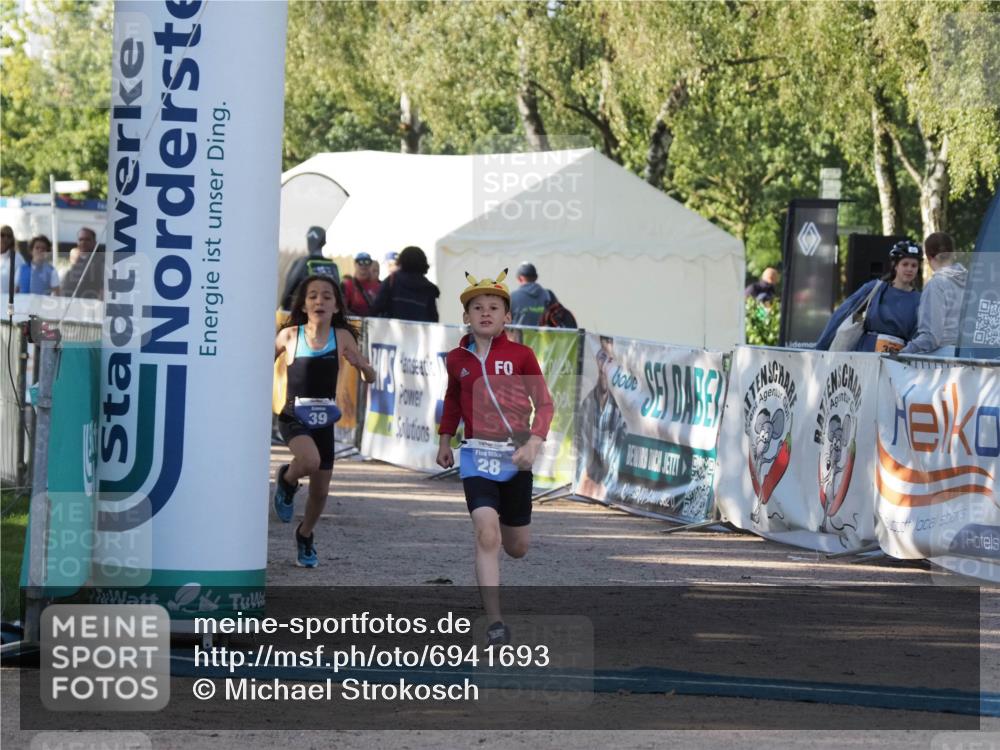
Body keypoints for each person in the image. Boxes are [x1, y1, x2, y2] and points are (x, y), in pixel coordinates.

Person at [435, 269, 554, 646]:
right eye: (477, 307)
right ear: (466, 316)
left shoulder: (522, 356)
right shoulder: (457, 358)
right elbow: (453, 399)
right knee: (486, 532)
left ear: (507, 316)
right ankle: (495, 622)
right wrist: (444, 440)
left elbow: (546, 404)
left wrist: (534, 443)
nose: (485, 313)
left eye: (494, 307)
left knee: (516, 548)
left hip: (516, 457)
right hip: (475, 457)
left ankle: (508, 536)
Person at [272, 274, 376, 567]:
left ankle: (305, 535)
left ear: (337, 307)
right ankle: (287, 479)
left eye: (327, 296)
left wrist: (363, 367)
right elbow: (257, 365)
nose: (320, 300)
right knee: (308, 461)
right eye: (313, 296)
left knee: (320, 493)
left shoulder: (341, 337)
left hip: (324, 421)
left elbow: (371, 376)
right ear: (304, 305)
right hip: (293, 415)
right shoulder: (289, 336)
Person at [815, 239, 922, 352]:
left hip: (896, 362)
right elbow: (843, 314)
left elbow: (918, 335)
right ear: (895, 266)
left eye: (914, 265)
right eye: (905, 264)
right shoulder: (875, 288)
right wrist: (820, 348)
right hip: (864, 356)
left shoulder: (920, 300)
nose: (909, 269)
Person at [575, 336, 627, 501]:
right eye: (602, 357)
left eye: (610, 359)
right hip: (586, 488)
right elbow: (581, 452)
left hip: (607, 491)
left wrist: (606, 488)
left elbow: (618, 460)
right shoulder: (588, 403)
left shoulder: (621, 409)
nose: (605, 364)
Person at [901, 233, 967, 357]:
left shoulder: (936, 285)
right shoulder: (973, 282)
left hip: (944, 362)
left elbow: (931, 336)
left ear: (929, 256)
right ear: (952, 253)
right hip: (972, 359)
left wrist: (903, 352)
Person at [369, 245, 440, 322]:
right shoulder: (428, 288)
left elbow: (376, 308)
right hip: (418, 332)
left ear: (401, 261)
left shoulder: (392, 280)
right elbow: (433, 318)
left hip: (392, 331)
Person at [280, 226, 339, 311]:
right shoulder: (332, 266)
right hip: (327, 314)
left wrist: (285, 305)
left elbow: (290, 288)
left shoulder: (302, 263)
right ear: (324, 242)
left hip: (303, 312)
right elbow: (339, 293)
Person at [60, 226, 104, 300]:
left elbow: (103, 287)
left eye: (87, 239)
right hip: (67, 303)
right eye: (81, 239)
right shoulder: (75, 259)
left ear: (94, 242)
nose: (83, 242)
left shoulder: (100, 260)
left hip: (87, 304)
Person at [510, 262, 557, 326]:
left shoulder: (511, 297)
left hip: (519, 336)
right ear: (536, 277)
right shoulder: (549, 296)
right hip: (543, 336)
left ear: (519, 278)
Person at [341, 252, 381, 316]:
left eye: (367, 262)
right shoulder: (347, 285)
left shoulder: (378, 285)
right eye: (360, 262)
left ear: (371, 265)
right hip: (354, 323)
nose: (364, 265)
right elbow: (342, 309)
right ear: (355, 264)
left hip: (374, 322)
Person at [0, 225, 25, 303]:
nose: (5, 238)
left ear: (12, 239)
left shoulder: (17, 258)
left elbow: (22, 283)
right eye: (2, 235)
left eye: (9, 236)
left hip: (8, 304)